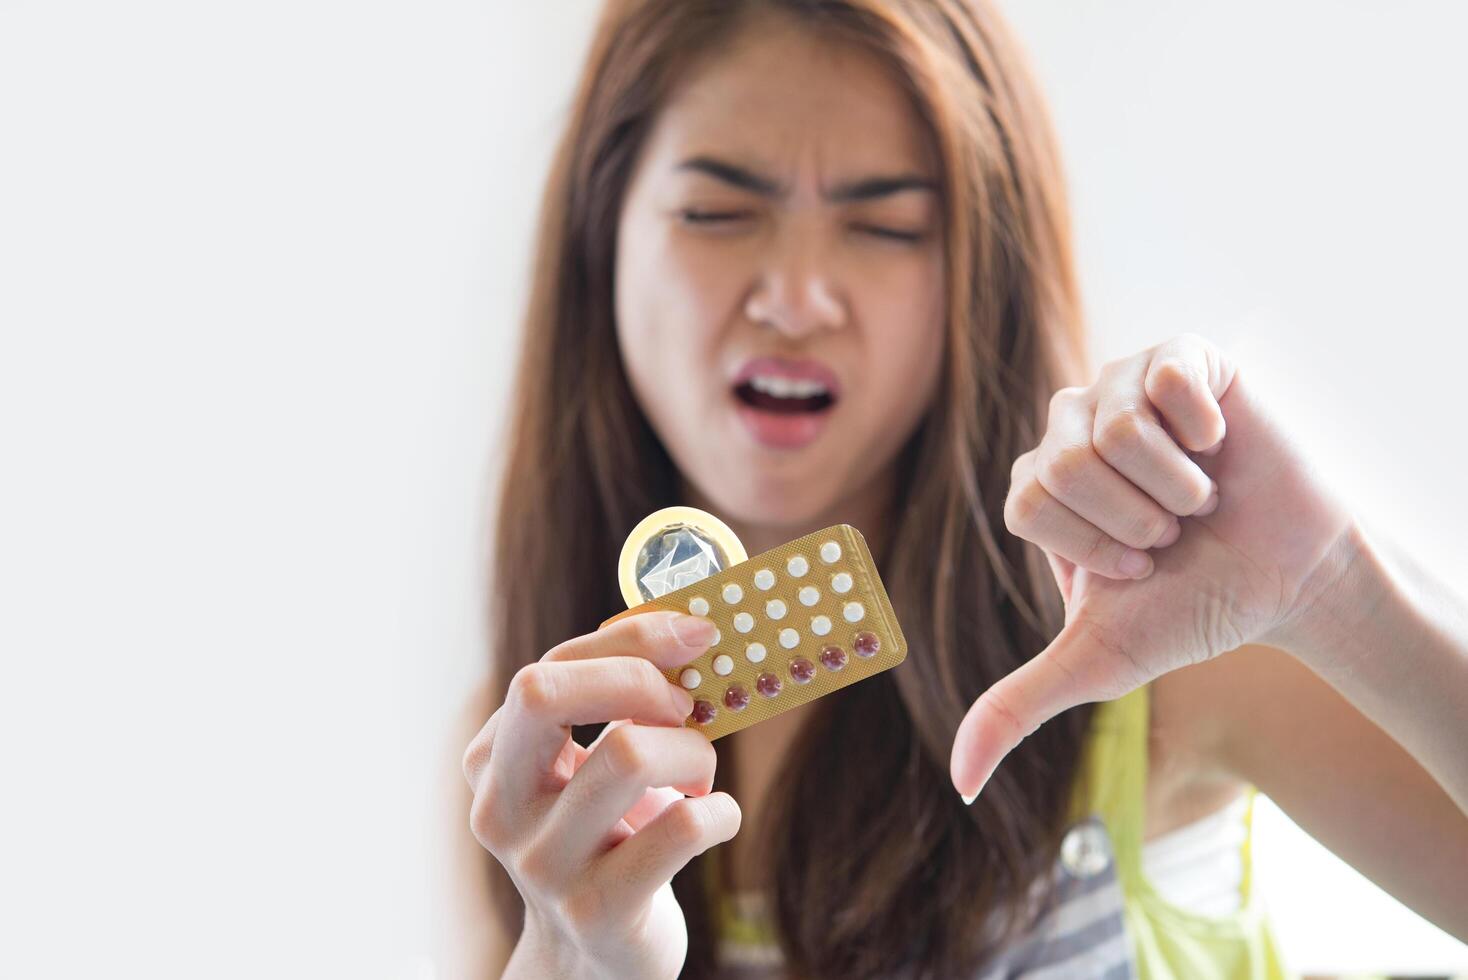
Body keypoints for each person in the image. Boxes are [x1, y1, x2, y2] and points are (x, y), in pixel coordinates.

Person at [452, 1, 1468, 976]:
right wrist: (570, 958)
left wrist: (1335, 588)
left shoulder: (1155, 637)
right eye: (717, 211)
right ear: (601, 240)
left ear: (980, 274)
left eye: (887, 225)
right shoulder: (534, 763)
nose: (797, 296)